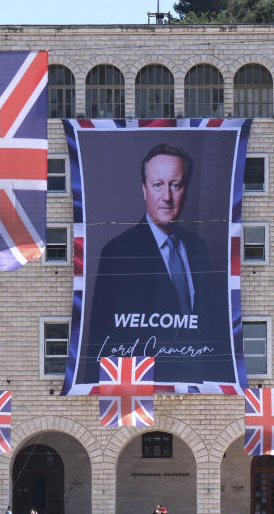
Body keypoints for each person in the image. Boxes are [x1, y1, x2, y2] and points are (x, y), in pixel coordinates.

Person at [86, 143, 227, 383]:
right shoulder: (117, 253)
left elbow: (213, 327)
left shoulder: (198, 248)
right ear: (144, 190)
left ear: (186, 189)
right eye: (158, 185)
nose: (167, 197)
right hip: (145, 387)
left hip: (199, 386)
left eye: (175, 185)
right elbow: (100, 339)